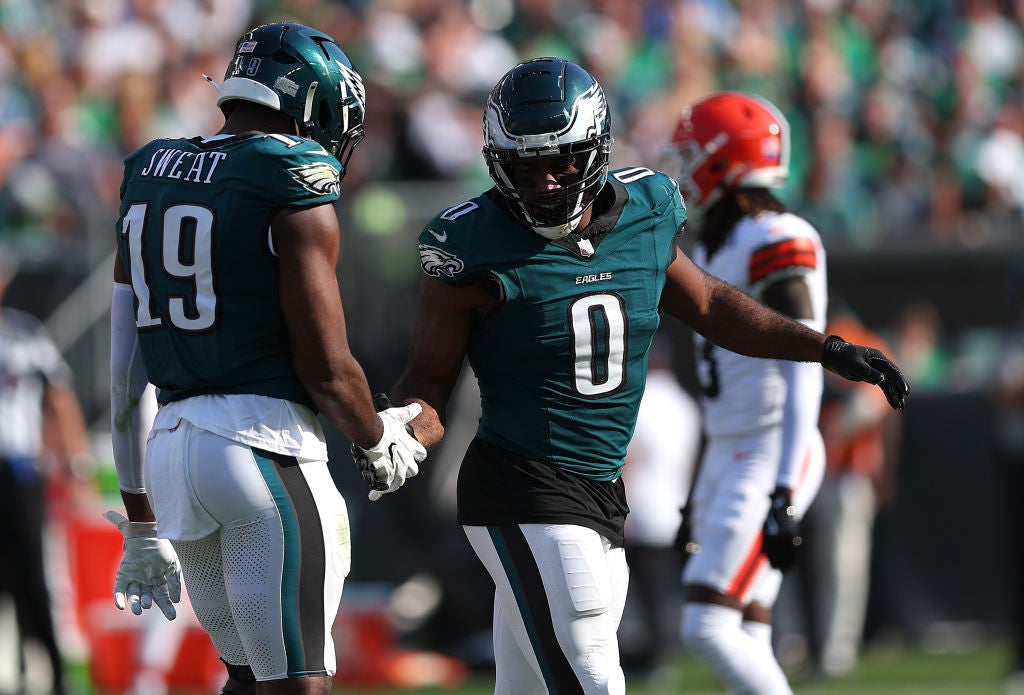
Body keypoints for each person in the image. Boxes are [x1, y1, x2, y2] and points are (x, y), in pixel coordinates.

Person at [374, 58, 909, 694]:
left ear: (596, 150)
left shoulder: (646, 209)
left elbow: (710, 304)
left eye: (562, 162)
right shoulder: (469, 242)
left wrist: (823, 348)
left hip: (600, 489)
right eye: (525, 166)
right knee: (597, 675)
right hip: (520, 488)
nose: (545, 182)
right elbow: (428, 382)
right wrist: (403, 429)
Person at [104, 22, 425, 695]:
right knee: (296, 682)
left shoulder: (148, 170)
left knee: (247, 680)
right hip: (261, 449)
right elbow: (327, 368)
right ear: (309, 103)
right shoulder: (289, 173)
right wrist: (378, 436)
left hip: (173, 453)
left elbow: (123, 377)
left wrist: (140, 516)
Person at [662, 90, 834, 693]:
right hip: (731, 448)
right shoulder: (712, 244)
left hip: (767, 448)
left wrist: (784, 485)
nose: (680, 172)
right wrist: (697, 483)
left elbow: (802, 364)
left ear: (723, 160)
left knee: (705, 624)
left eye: (690, 157)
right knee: (749, 628)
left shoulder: (777, 235)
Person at [0, 253, 96, 695]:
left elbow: (60, 398)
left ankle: (52, 674)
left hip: (18, 473)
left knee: (32, 578)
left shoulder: (23, 333)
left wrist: (78, 464)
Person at [798, 303, 902, 679]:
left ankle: (833, 651)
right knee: (838, 568)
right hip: (837, 471)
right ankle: (830, 649)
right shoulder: (857, 340)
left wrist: (831, 434)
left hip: (842, 470)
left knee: (838, 567)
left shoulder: (848, 339)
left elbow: (872, 405)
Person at [618, 334, 701, 680]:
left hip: (639, 508)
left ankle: (650, 659)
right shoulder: (685, 403)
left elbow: (628, 459)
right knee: (662, 588)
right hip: (674, 506)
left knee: (631, 590)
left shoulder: (640, 401)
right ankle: (660, 653)